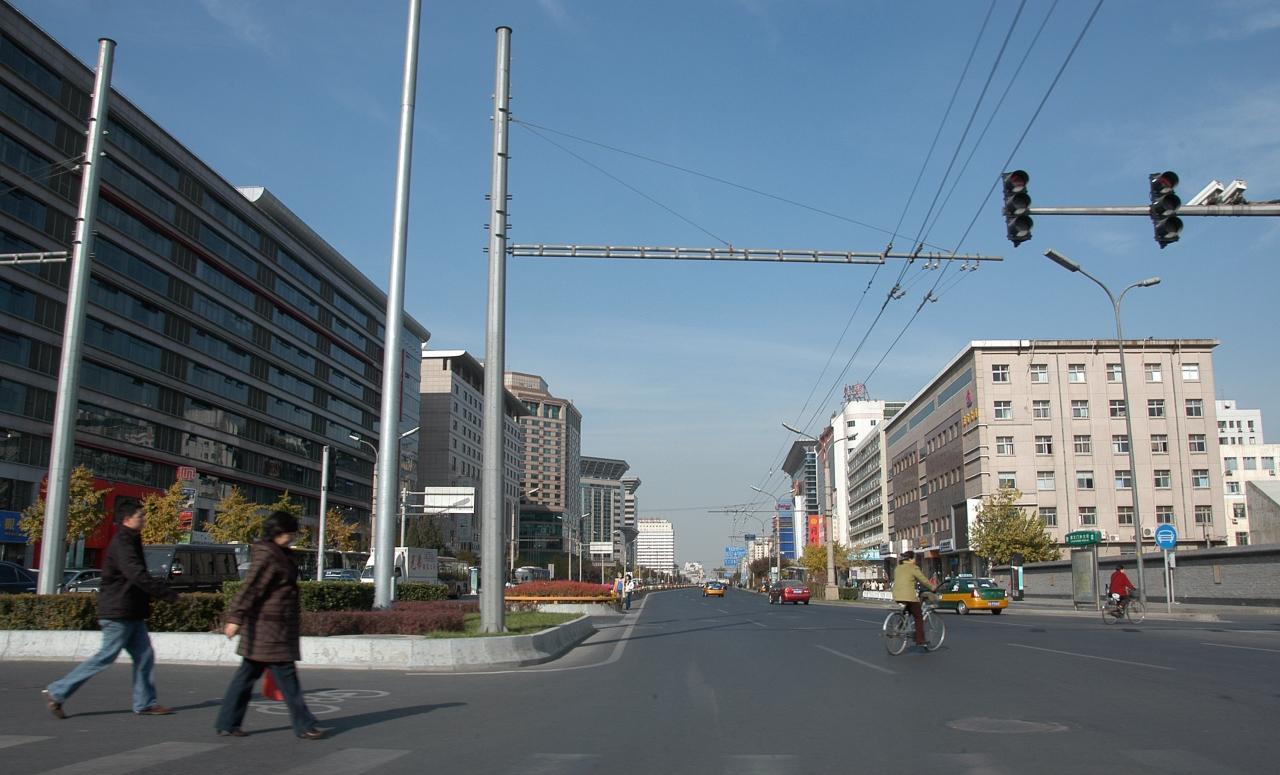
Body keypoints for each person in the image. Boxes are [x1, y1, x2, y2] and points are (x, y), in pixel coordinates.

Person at [44, 506, 177, 719]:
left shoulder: (131, 539)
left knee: (144, 656)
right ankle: (58, 691)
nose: (143, 519)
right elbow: (136, 574)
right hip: (119, 611)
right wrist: (166, 593)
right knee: (106, 656)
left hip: (131, 611)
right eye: (139, 516)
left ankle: (145, 703)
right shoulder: (123, 542)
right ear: (127, 519)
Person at [215, 511, 326, 740]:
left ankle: (228, 722)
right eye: (289, 533)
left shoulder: (281, 553)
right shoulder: (267, 555)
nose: (292, 537)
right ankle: (305, 724)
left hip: (273, 628)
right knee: (287, 680)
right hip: (269, 629)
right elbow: (251, 588)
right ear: (278, 532)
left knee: (246, 678)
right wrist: (235, 618)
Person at [892, 550, 935, 650]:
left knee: (908, 610)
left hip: (897, 595)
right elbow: (923, 580)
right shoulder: (913, 568)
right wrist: (932, 587)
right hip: (908, 596)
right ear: (911, 559)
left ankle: (900, 625)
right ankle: (920, 640)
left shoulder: (898, 568)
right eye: (914, 558)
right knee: (918, 616)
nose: (915, 560)